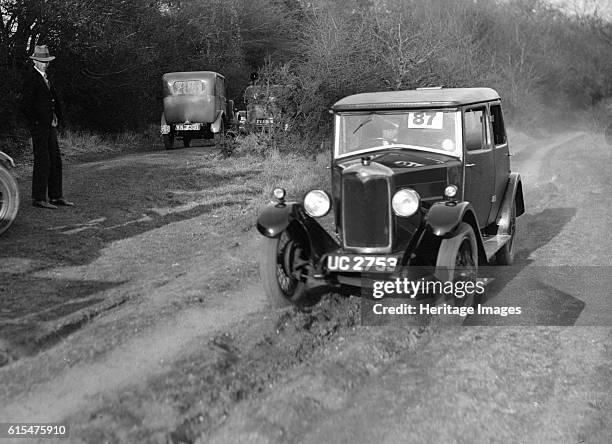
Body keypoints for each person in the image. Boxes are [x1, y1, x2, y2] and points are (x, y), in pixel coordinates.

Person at [21, 45, 74, 209]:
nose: (44, 64)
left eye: (46, 61)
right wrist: (36, 123)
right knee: (42, 161)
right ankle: (38, 198)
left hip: (50, 126)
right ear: (35, 61)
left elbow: (52, 102)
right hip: (39, 127)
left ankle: (56, 196)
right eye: (41, 61)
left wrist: (57, 118)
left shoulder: (46, 78)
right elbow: (25, 105)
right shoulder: (31, 79)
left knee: (55, 161)